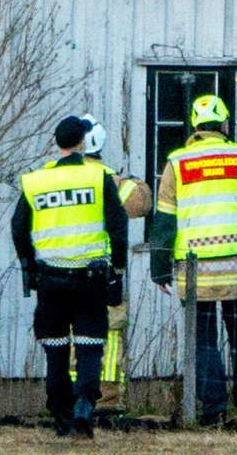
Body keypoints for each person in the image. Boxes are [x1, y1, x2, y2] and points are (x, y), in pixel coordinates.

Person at [157, 93, 237, 429]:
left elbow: (164, 220)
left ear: (195, 127)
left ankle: (212, 410)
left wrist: (159, 268)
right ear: (226, 124)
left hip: (195, 273)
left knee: (202, 341)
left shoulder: (177, 163)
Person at [14, 115, 149, 438]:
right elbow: (118, 227)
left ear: (57, 142)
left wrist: (29, 267)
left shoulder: (35, 181)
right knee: (90, 347)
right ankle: (84, 410)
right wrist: (117, 269)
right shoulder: (98, 177)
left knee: (55, 350)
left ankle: (61, 417)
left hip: (50, 279)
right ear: (82, 143)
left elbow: (18, 228)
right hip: (90, 279)